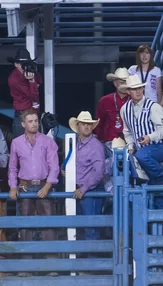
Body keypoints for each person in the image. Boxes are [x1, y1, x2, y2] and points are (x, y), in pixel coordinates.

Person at [8, 109, 59, 244]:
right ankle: (26, 259)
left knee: (48, 224)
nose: (34, 124)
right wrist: (13, 187)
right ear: (23, 124)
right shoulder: (16, 143)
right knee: (25, 225)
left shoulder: (48, 141)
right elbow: (12, 167)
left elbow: (54, 166)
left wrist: (47, 186)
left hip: (43, 185)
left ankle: (51, 259)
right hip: (25, 186)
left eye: (36, 121)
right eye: (30, 121)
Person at [120, 76, 163, 209]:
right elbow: (127, 131)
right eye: (134, 89)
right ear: (128, 92)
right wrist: (131, 145)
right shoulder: (124, 109)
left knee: (142, 156)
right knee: (153, 183)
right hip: (142, 150)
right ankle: (161, 214)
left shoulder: (153, 106)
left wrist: (150, 137)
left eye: (139, 88)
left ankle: (161, 174)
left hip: (160, 145)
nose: (138, 91)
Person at [68, 111, 106, 240]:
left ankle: (92, 259)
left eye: (89, 124)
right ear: (78, 126)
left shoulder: (95, 145)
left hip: (90, 191)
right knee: (82, 227)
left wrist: (84, 188)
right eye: (84, 124)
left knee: (91, 228)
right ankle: (87, 258)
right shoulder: (76, 144)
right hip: (80, 190)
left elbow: (99, 172)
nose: (87, 127)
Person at [7, 48, 42, 139]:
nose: (24, 66)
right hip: (22, 114)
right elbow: (32, 95)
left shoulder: (31, 70)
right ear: (16, 64)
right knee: (21, 145)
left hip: (34, 113)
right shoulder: (14, 79)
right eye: (22, 64)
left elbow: (40, 81)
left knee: (37, 144)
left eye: (26, 64)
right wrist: (31, 81)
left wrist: (33, 76)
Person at [95, 68, 130, 144]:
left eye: (127, 82)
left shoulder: (133, 100)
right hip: (110, 142)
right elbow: (99, 124)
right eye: (122, 82)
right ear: (115, 83)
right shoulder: (105, 100)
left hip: (131, 143)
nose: (125, 85)